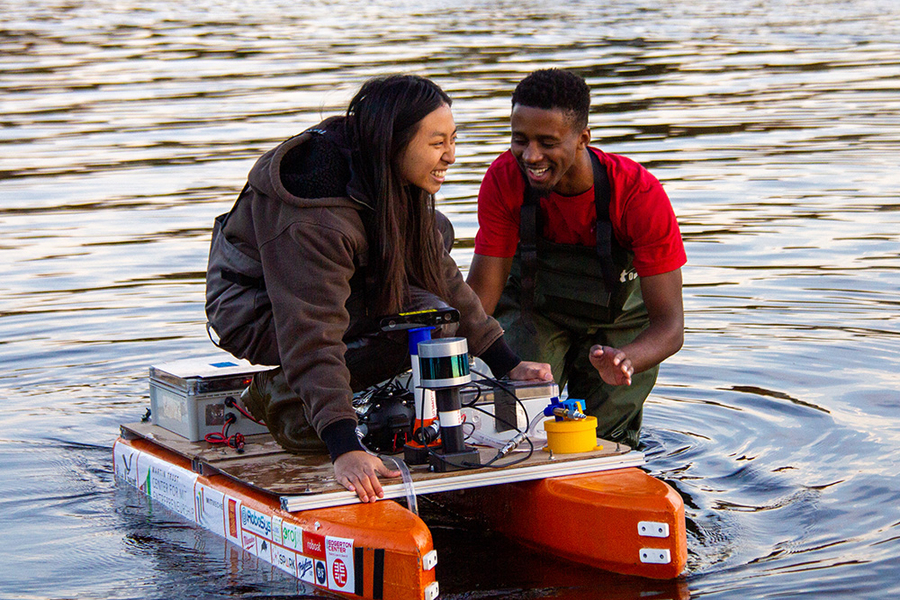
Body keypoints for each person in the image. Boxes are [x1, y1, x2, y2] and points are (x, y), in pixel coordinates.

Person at [205, 74, 552, 503]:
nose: (451, 156)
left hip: (334, 285)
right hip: (254, 308)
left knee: (436, 314)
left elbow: (442, 275)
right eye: (437, 143)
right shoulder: (315, 218)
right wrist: (344, 446)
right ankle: (278, 393)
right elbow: (310, 332)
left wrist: (505, 362)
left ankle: (359, 404)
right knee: (403, 330)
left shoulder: (389, 171)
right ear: (394, 143)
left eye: (454, 140)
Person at [466, 69, 685, 448]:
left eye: (547, 142)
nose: (531, 156)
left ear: (583, 138)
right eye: (520, 140)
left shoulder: (637, 194)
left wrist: (626, 359)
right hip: (534, 311)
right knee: (518, 421)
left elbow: (670, 326)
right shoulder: (504, 179)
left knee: (601, 438)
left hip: (621, 327)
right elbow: (479, 303)